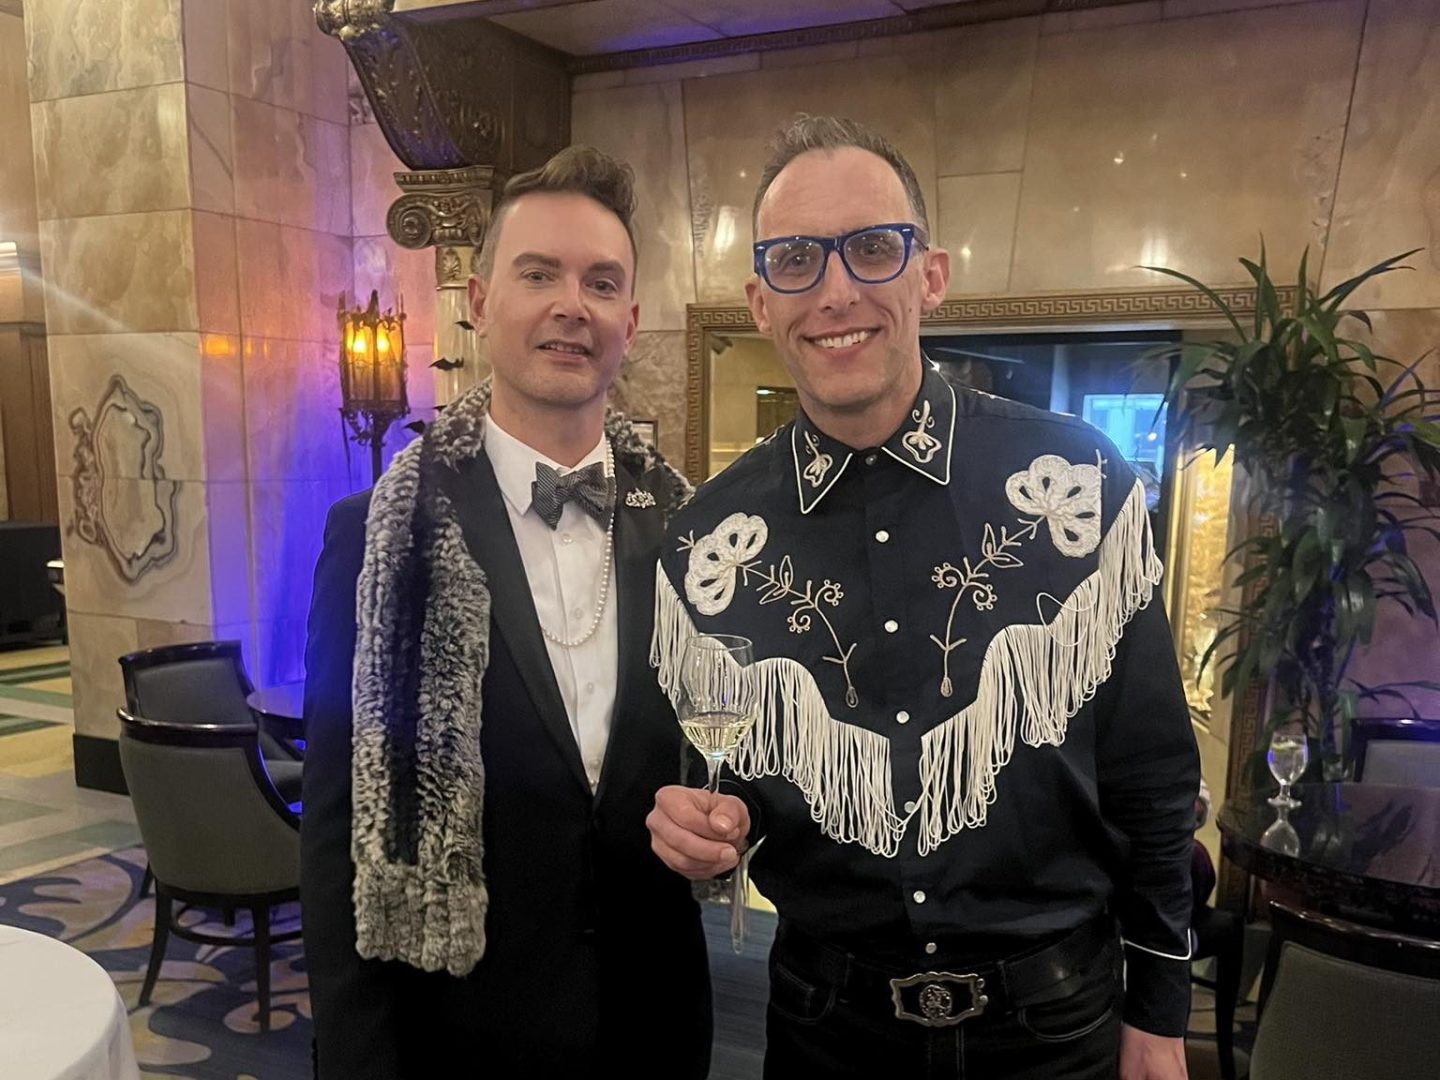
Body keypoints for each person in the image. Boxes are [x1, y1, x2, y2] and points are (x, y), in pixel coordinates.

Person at [646, 115, 1200, 1080]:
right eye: (794, 262)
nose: (835, 291)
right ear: (759, 302)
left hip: (1055, 1030)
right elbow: (730, 777)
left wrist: (1158, 1013)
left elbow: (1152, 775)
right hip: (825, 1028)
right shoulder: (709, 542)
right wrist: (708, 829)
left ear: (929, 275)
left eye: (871, 249)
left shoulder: (1077, 477)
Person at [301, 145, 711, 1079]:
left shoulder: (697, 540)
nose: (573, 304)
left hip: (655, 1025)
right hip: (461, 1035)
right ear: (480, 302)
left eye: (601, 282)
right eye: (539, 274)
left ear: (630, 321)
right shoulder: (378, 539)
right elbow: (337, 843)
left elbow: (741, 764)